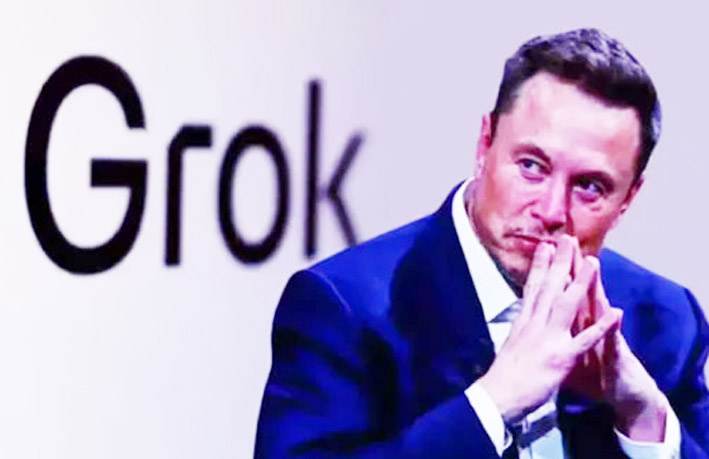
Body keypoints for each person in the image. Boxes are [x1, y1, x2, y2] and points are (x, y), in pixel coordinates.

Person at [254, 28, 709, 458]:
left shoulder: (664, 320)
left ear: (628, 199)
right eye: (532, 166)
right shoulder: (347, 309)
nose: (552, 211)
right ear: (484, 144)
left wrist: (644, 417)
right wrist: (491, 405)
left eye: (589, 186)